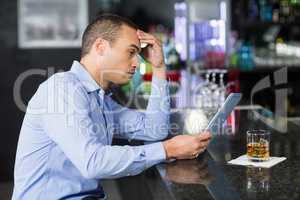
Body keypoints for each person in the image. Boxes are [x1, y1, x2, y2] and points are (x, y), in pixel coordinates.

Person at [12, 14, 211, 199]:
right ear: (100, 47)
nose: (137, 62)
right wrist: (168, 149)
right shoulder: (62, 89)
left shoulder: (100, 100)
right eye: (131, 52)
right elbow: (93, 162)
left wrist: (159, 68)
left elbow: (153, 129)